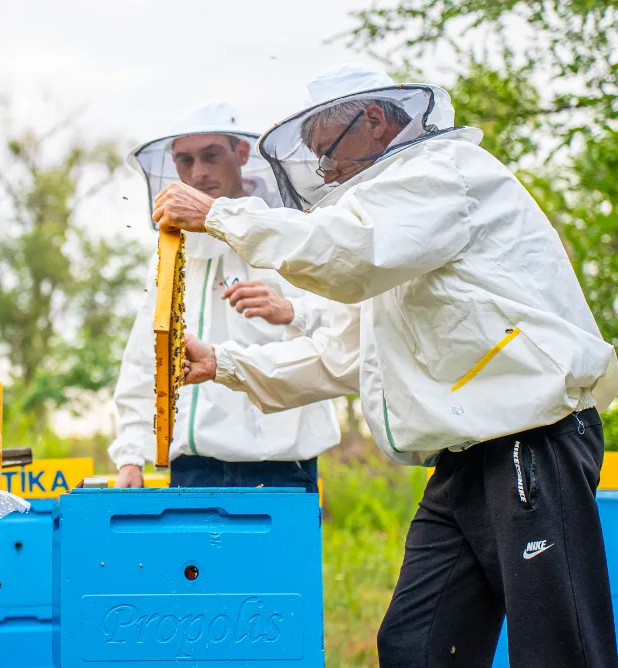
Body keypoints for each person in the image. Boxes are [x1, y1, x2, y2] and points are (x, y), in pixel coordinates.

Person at [155, 63, 618, 667]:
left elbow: (344, 252)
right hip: (465, 459)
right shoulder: (398, 225)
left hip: (532, 442)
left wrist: (218, 214)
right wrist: (224, 364)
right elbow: (348, 355)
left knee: (560, 647)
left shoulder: (442, 175)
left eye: (326, 152)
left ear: (373, 121)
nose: (324, 171)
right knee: (415, 645)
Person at [110, 101, 343, 490]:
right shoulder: (174, 251)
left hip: (281, 462)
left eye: (210, 156)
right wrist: (131, 457)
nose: (197, 173)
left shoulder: (287, 231)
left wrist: (291, 310)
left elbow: (348, 321)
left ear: (241, 153)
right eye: (184, 161)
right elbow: (146, 355)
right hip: (194, 467)